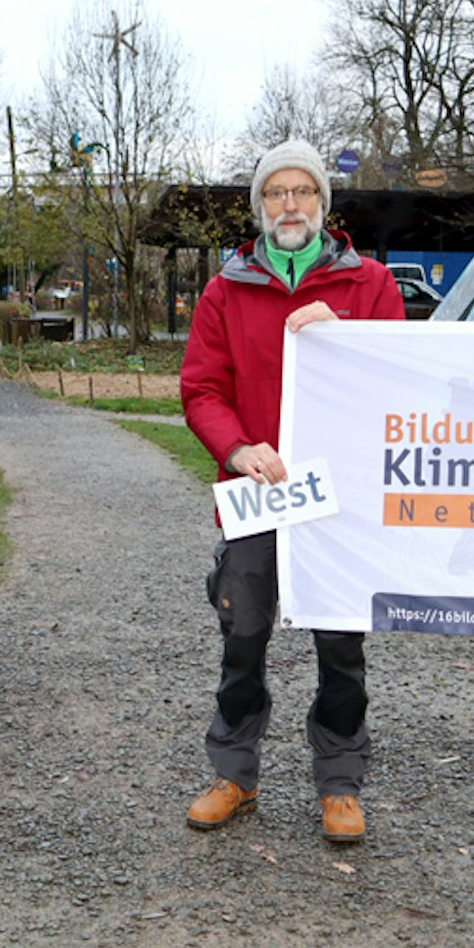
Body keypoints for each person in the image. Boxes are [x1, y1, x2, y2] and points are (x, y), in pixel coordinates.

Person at [180, 140, 406, 843]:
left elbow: (398, 377)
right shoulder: (226, 289)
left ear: (321, 204)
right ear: (260, 207)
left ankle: (340, 783)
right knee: (243, 635)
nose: (289, 204)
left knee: (339, 643)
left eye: (302, 191)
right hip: (257, 492)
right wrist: (237, 448)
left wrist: (347, 337)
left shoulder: (370, 285)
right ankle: (234, 774)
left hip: (337, 498)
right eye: (275, 192)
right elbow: (201, 388)